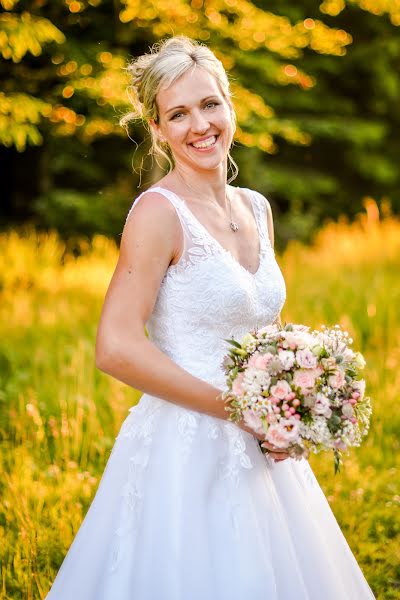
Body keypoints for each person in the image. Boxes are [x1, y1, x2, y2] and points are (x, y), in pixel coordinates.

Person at [46, 36, 376, 599]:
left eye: (209, 104)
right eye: (178, 114)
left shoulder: (256, 207)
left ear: (230, 107)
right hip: (185, 448)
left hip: (264, 447)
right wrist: (237, 409)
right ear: (158, 129)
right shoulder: (157, 213)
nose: (199, 125)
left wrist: (290, 402)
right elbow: (116, 346)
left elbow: (261, 330)